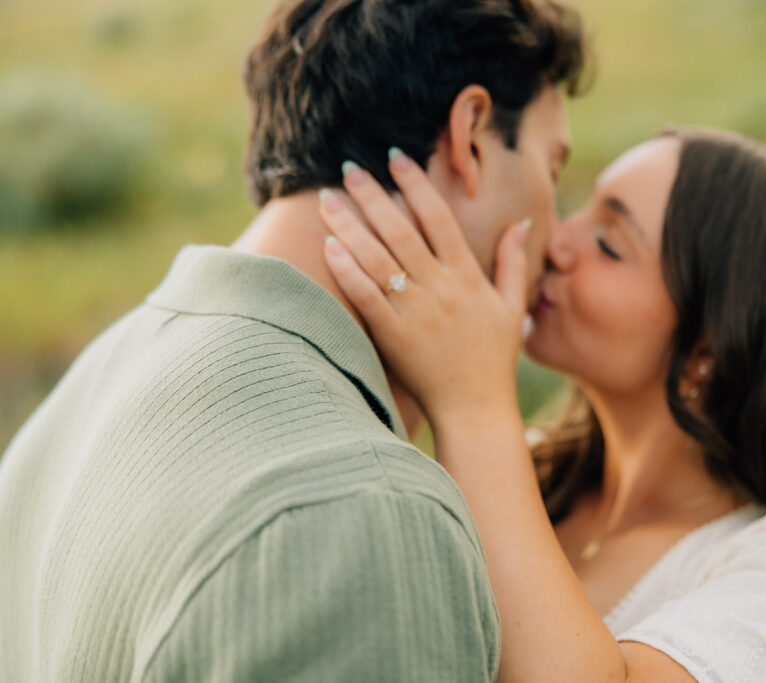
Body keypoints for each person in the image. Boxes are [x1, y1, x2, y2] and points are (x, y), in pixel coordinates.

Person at [0, 1, 588, 680]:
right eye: (553, 168)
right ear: (472, 137)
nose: (560, 233)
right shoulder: (366, 515)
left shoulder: (99, 375)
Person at [318, 127, 766, 681]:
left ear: (709, 346)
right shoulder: (530, 480)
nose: (557, 242)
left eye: (609, 244)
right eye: (579, 210)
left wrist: (472, 400)